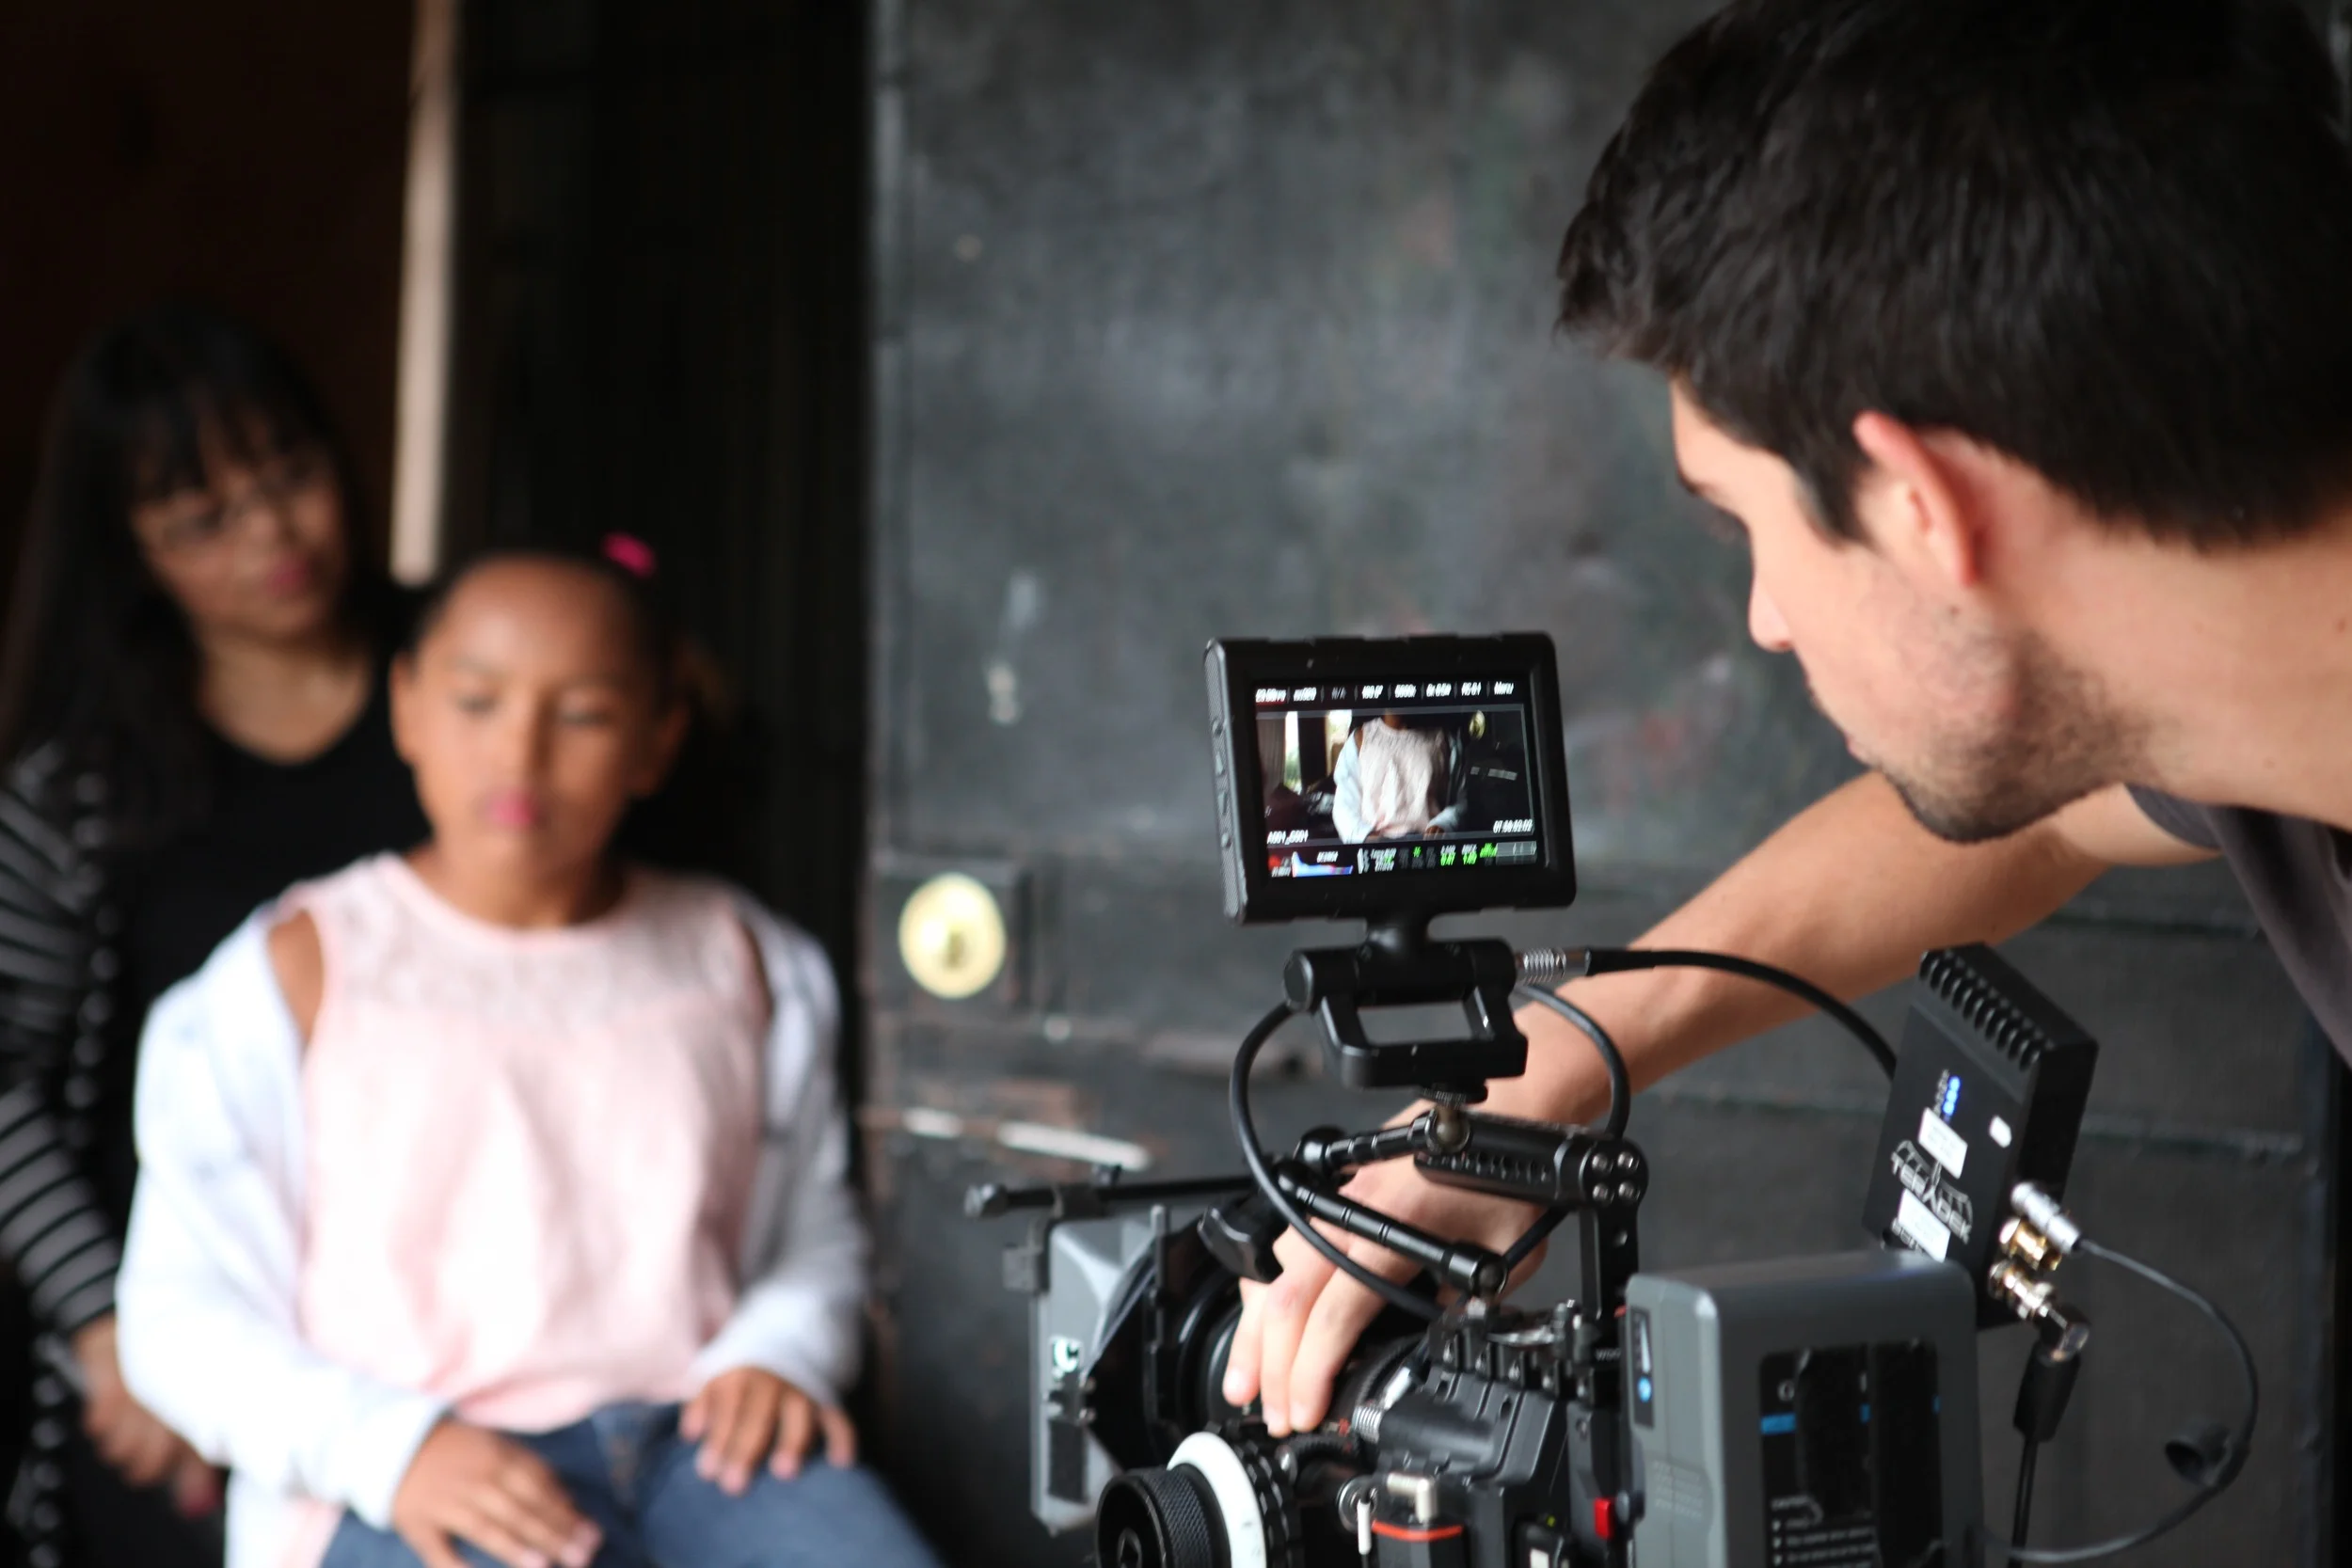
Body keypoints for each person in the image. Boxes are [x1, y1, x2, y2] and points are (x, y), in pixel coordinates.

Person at [1220, 0, 2352, 1440]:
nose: (1766, 618)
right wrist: (1555, 1061)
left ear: (1923, 507)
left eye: (1747, 524)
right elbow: (2060, 814)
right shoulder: (2233, 717)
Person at [114, 549, 943, 1568]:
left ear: (658, 738)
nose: (521, 752)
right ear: (407, 707)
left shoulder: (749, 962)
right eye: (476, 702)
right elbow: (179, 1314)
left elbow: (816, 1232)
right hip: (407, 1462)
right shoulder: (292, 971)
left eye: (584, 713)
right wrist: (393, 1449)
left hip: (702, 1444)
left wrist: (777, 1350)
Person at [0, 305, 431, 1566]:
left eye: (289, 474)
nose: (272, 535)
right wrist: (108, 1327)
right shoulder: (78, 792)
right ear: (130, 549)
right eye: (203, 519)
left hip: (452, 1308)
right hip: (186, 1331)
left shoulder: (472, 687)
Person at [1331, 715, 1468, 842]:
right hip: (1377, 847)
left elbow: (1461, 801)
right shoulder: (1360, 739)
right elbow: (1344, 806)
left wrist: (1444, 823)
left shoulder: (1444, 740)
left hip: (1428, 844)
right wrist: (1366, 836)